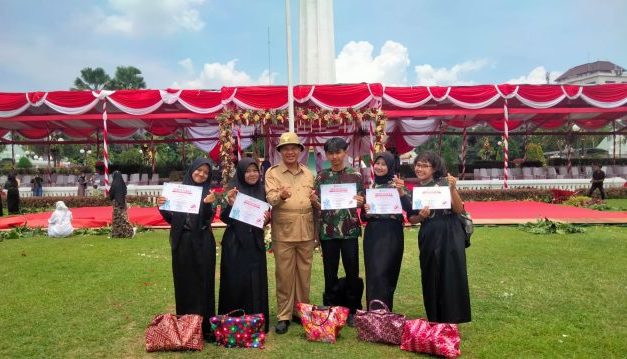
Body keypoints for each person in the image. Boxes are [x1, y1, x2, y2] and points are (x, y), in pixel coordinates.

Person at [157, 158, 217, 341]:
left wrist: (208, 204)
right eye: (199, 170)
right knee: (184, 283)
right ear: (191, 170)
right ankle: (186, 328)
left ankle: (206, 328)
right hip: (182, 241)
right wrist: (162, 206)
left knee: (204, 282)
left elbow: (207, 220)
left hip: (203, 241)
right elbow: (172, 219)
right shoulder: (179, 191)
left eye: (206, 173)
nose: (201, 174)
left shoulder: (210, 194)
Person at [408, 151, 471, 324]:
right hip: (429, 234)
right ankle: (434, 317)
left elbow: (458, 209)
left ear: (434, 168)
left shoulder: (444, 183)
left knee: (451, 273)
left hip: (450, 233)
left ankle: (453, 317)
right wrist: (421, 216)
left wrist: (452, 189)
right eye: (418, 165)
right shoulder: (417, 190)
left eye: (424, 165)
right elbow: (412, 219)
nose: (420, 169)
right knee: (430, 273)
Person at [310, 137, 365, 326]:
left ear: (345, 152)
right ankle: (331, 308)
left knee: (352, 271)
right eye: (331, 153)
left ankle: (353, 310)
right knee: (329, 271)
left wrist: (361, 201)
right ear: (326, 155)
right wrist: (314, 201)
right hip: (329, 231)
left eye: (338, 152)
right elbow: (317, 204)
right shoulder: (321, 176)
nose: (335, 156)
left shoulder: (355, 175)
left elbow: (363, 199)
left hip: (349, 231)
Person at [265, 132, 315, 334]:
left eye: (294, 148)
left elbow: (313, 200)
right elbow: (270, 198)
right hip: (284, 230)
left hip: (306, 229)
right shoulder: (273, 173)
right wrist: (281, 196)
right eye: (286, 148)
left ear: (300, 151)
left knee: (304, 275)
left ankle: (301, 311)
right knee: (284, 275)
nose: (290, 151)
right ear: (280, 152)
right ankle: (284, 315)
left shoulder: (308, 173)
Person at [218, 158, 271, 332]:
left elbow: (265, 215)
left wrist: (267, 218)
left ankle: (256, 319)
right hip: (234, 242)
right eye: (247, 171)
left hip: (254, 241)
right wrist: (231, 205)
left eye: (255, 170)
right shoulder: (233, 190)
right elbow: (224, 218)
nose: (252, 174)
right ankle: (233, 319)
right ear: (241, 173)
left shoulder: (262, 190)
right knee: (235, 280)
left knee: (255, 280)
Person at [362, 151, 412, 311]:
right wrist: (366, 210)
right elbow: (364, 216)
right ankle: (372, 312)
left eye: (384, 164)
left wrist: (402, 192)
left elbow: (410, 209)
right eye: (377, 163)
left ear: (390, 166)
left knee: (387, 271)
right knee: (373, 272)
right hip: (373, 233)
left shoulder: (396, 185)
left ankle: (385, 311)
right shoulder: (370, 186)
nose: (379, 167)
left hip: (391, 233)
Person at [108, 171, 134, 238]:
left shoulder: (114, 184)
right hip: (123, 202)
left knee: (118, 218)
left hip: (117, 203)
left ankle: (127, 231)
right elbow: (125, 192)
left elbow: (111, 194)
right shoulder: (123, 184)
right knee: (123, 217)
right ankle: (121, 233)